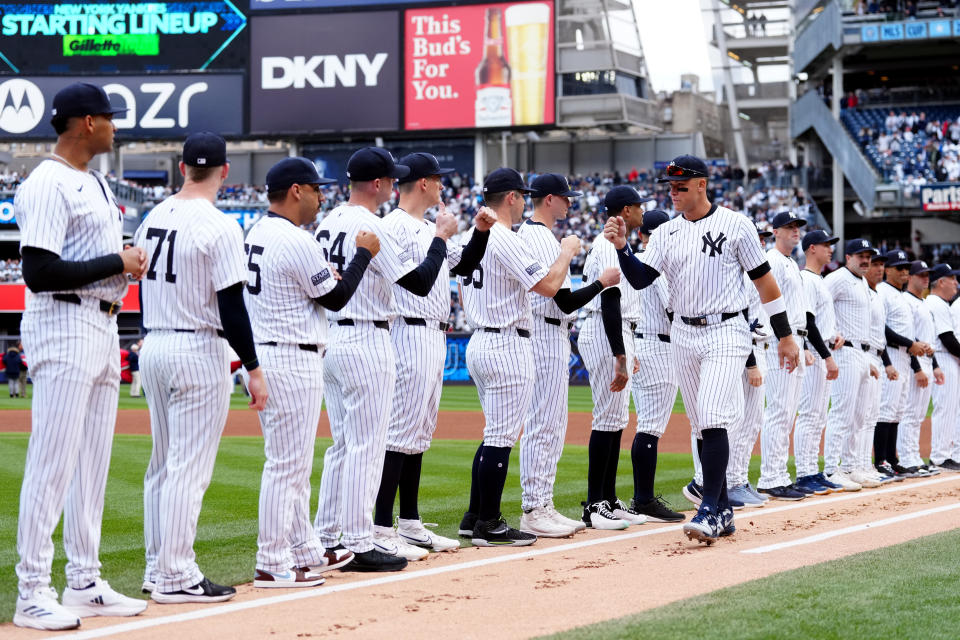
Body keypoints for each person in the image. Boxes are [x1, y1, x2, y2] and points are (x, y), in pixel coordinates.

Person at [605, 154, 799, 544]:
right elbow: (642, 280)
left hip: (726, 329)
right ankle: (723, 507)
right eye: (670, 187)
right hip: (683, 333)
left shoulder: (736, 225)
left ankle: (708, 508)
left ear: (701, 185)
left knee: (712, 417)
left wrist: (785, 335)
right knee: (700, 423)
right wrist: (624, 248)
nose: (673, 193)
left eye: (680, 186)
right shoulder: (665, 233)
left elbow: (765, 284)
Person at [13, 81, 148, 631]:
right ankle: (31, 590)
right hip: (63, 320)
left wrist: (121, 264)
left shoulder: (92, 180)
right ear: (87, 123)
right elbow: (39, 273)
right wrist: (116, 259)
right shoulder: (47, 182)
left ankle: (85, 580)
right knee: (52, 463)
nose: (116, 126)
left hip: (101, 324)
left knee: (92, 465)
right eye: (109, 118)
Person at [137, 132, 268, 604]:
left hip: (154, 344)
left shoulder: (152, 216)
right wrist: (253, 367)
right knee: (187, 471)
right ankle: (175, 574)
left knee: (162, 466)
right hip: (197, 347)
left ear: (181, 166)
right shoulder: (219, 224)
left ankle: (158, 568)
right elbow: (232, 306)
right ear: (225, 171)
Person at [313, 147, 457, 571]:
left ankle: (326, 539)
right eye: (390, 178)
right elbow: (417, 281)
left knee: (342, 446)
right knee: (367, 446)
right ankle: (360, 541)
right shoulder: (373, 225)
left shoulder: (329, 220)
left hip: (332, 338)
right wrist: (442, 238)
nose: (395, 184)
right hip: (366, 337)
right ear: (377, 184)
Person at [245, 157, 374, 587]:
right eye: (316, 189)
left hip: (271, 348)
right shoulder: (295, 240)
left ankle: (305, 550)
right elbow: (337, 298)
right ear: (296, 190)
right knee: (287, 466)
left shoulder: (257, 231)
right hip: (291, 355)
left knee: (293, 464)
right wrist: (361, 256)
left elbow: (315, 290)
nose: (322, 196)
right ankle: (271, 561)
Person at [372, 152, 494, 557]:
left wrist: (477, 232)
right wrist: (442, 237)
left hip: (431, 334)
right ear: (423, 183)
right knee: (399, 432)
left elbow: (464, 263)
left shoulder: (426, 226)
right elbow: (416, 283)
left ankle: (408, 522)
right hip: (406, 329)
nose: (443, 185)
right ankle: (380, 527)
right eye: (438, 179)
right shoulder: (395, 226)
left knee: (417, 434)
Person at [456, 167, 580, 547]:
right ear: (510, 197)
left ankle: (473, 515)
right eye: (522, 195)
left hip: (479, 337)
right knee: (501, 436)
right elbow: (548, 286)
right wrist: (566, 253)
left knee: (493, 431)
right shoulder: (503, 237)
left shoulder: (470, 235)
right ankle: (489, 524)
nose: (525, 201)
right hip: (506, 341)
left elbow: (461, 291)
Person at [515, 174, 620, 538]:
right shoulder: (541, 237)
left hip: (550, 330)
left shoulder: (539, 236)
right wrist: (601, 284)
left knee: (551, 423)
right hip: (544, 329)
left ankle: (542, 503)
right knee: (545, 422)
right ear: (548, 200)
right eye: (565, 197)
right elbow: (563, 299)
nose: (571, 203)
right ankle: (534, 507)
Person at [577, 186, 647, 531]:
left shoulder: (619, 243)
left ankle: (608, 498)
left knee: (616, 419)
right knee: (606, 417)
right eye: (638, 206)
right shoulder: (607, 245)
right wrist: (620, 354)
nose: (642, 211)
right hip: (605, 330)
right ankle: (594, 505)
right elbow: (609, 301)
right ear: (624, 210)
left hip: (619, 332)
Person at [626, 209, 687, 522]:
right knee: (651, 426)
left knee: (647, 424)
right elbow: (673, 309)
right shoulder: (658, 263)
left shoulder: (633, 259)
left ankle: (642, 498)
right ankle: (644, 499)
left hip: (641, 341)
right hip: (659, 345)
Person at [756, 211, 817, 501]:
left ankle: (779, 474)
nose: (795, 231)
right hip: (781, 341)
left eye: (797, 227)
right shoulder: (772, 260)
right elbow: (764, 302)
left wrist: (801, 345)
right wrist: (783, 339)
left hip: (795, 340)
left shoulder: (791, 263)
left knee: (787, 412)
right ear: (775, 231)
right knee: (779, 411)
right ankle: (771, 477)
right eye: (789, 227)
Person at [822, 239, 877, 491]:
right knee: (842, 413)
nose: (865, 259)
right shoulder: (838, 278)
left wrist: (869, 359)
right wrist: (831, 332)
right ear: (848, 257)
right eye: (860, 255)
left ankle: (851, 466)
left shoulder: (863, 281)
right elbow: (818, 303)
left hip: (862, 352)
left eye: (868, 255)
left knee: (859, 415)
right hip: (844, 351)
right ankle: (832, 468)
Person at [793, 230, 844, 494]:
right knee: (810, 414)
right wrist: (826, 355)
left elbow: (820, 322)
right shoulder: (806, 278)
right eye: (826, 245)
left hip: (820, 347)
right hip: (814, 353)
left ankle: (812, 470)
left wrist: (834, 337)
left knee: (819, 416)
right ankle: (804, 473)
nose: (830, 249)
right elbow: (808, 321)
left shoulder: (819, 279)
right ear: (812, 248)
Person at [874, 250, 931, 477]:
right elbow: (882, 329)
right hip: (890, 354)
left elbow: (904, 330)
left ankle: (892, 458)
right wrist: (910, 343)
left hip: (905, 356)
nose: (905, 271)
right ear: (888, 270)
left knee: (897, 412)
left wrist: (918, 344)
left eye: (907, 267)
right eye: (900, 268)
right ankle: (880, 460)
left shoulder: (902, 295)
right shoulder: (883, 292)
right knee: (886, 410)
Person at [897, 261, 944, 476]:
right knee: (910, 412)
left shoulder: (922, 302)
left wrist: (934, 366)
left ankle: (914, 456)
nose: (926, 278)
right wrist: (917, 368)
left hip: (927, 359)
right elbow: (910, 338)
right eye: (921, 275)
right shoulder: (906, 301)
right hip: (913, 360)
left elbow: (928, 339)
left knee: (918, 414)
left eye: (928, 275)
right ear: (910, 277)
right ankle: (907, 459)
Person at [857, 252, 897, 486]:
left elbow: (881, 334)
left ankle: (865, 464)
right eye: (875, 264)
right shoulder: (862, 290)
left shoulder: (876, 295)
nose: (879, 269)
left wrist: (888, 362)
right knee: (858, 415)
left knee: (871, 414)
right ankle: (852, 465)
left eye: (882, 264)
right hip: (862, 352)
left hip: (878, 355)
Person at [924, 263, 960, 471]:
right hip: (942, 357)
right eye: (952, 278)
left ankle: (946, 454)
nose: (956, 283)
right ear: (941, 282)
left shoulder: (941, 303)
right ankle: (939, 456)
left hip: (947, 358)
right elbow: (947, 338)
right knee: (945, 408)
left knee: (950, 408)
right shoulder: (936, 303)